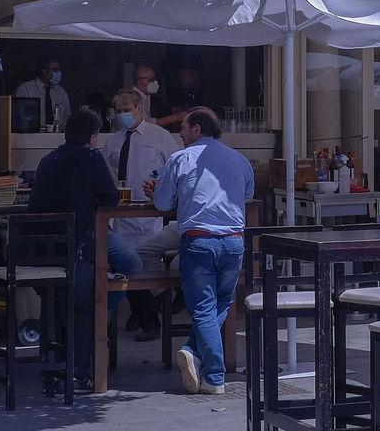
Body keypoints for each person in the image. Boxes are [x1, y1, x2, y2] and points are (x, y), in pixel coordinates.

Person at [147, 107, 254, 395]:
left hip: (199, 240)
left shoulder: (180, 158)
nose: (180, 134)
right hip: (234, 240)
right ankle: (193, 352)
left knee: (204, 308)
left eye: (183, 128)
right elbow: (247, 195)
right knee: (222, 302)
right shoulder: (240, 159)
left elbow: (161, 203)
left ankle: (214, 376)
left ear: (196, 129)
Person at [28, 108, 126, 390]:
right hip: (76, 250)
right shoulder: (92, 157)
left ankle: (51, 367)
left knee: (54, 303)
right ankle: (78, 371)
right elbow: (111, 198)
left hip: (41, 254)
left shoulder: (49, 158)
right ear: (93, 138)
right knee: (85, 305)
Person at [102, 87, 181, 340]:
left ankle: (149, 317)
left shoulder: (160, 136)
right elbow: (107, 171)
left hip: (150, 212)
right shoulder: (113, 141)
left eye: (127, 110)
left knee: (148, 266)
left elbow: (176, 166)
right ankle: (145, 316)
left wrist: (162, 185)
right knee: (126, 267)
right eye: (119, 111)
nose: (123, 114)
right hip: (123, 212)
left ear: (139, 109)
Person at [14, 56, 70, 129]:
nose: (58, 73)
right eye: (55, 70)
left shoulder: (61, 92)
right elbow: (18, 120)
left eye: (59, 70)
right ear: (44, 72)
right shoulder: (25, 90)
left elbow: (67, 118)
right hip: (30, 136)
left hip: (56, 137)